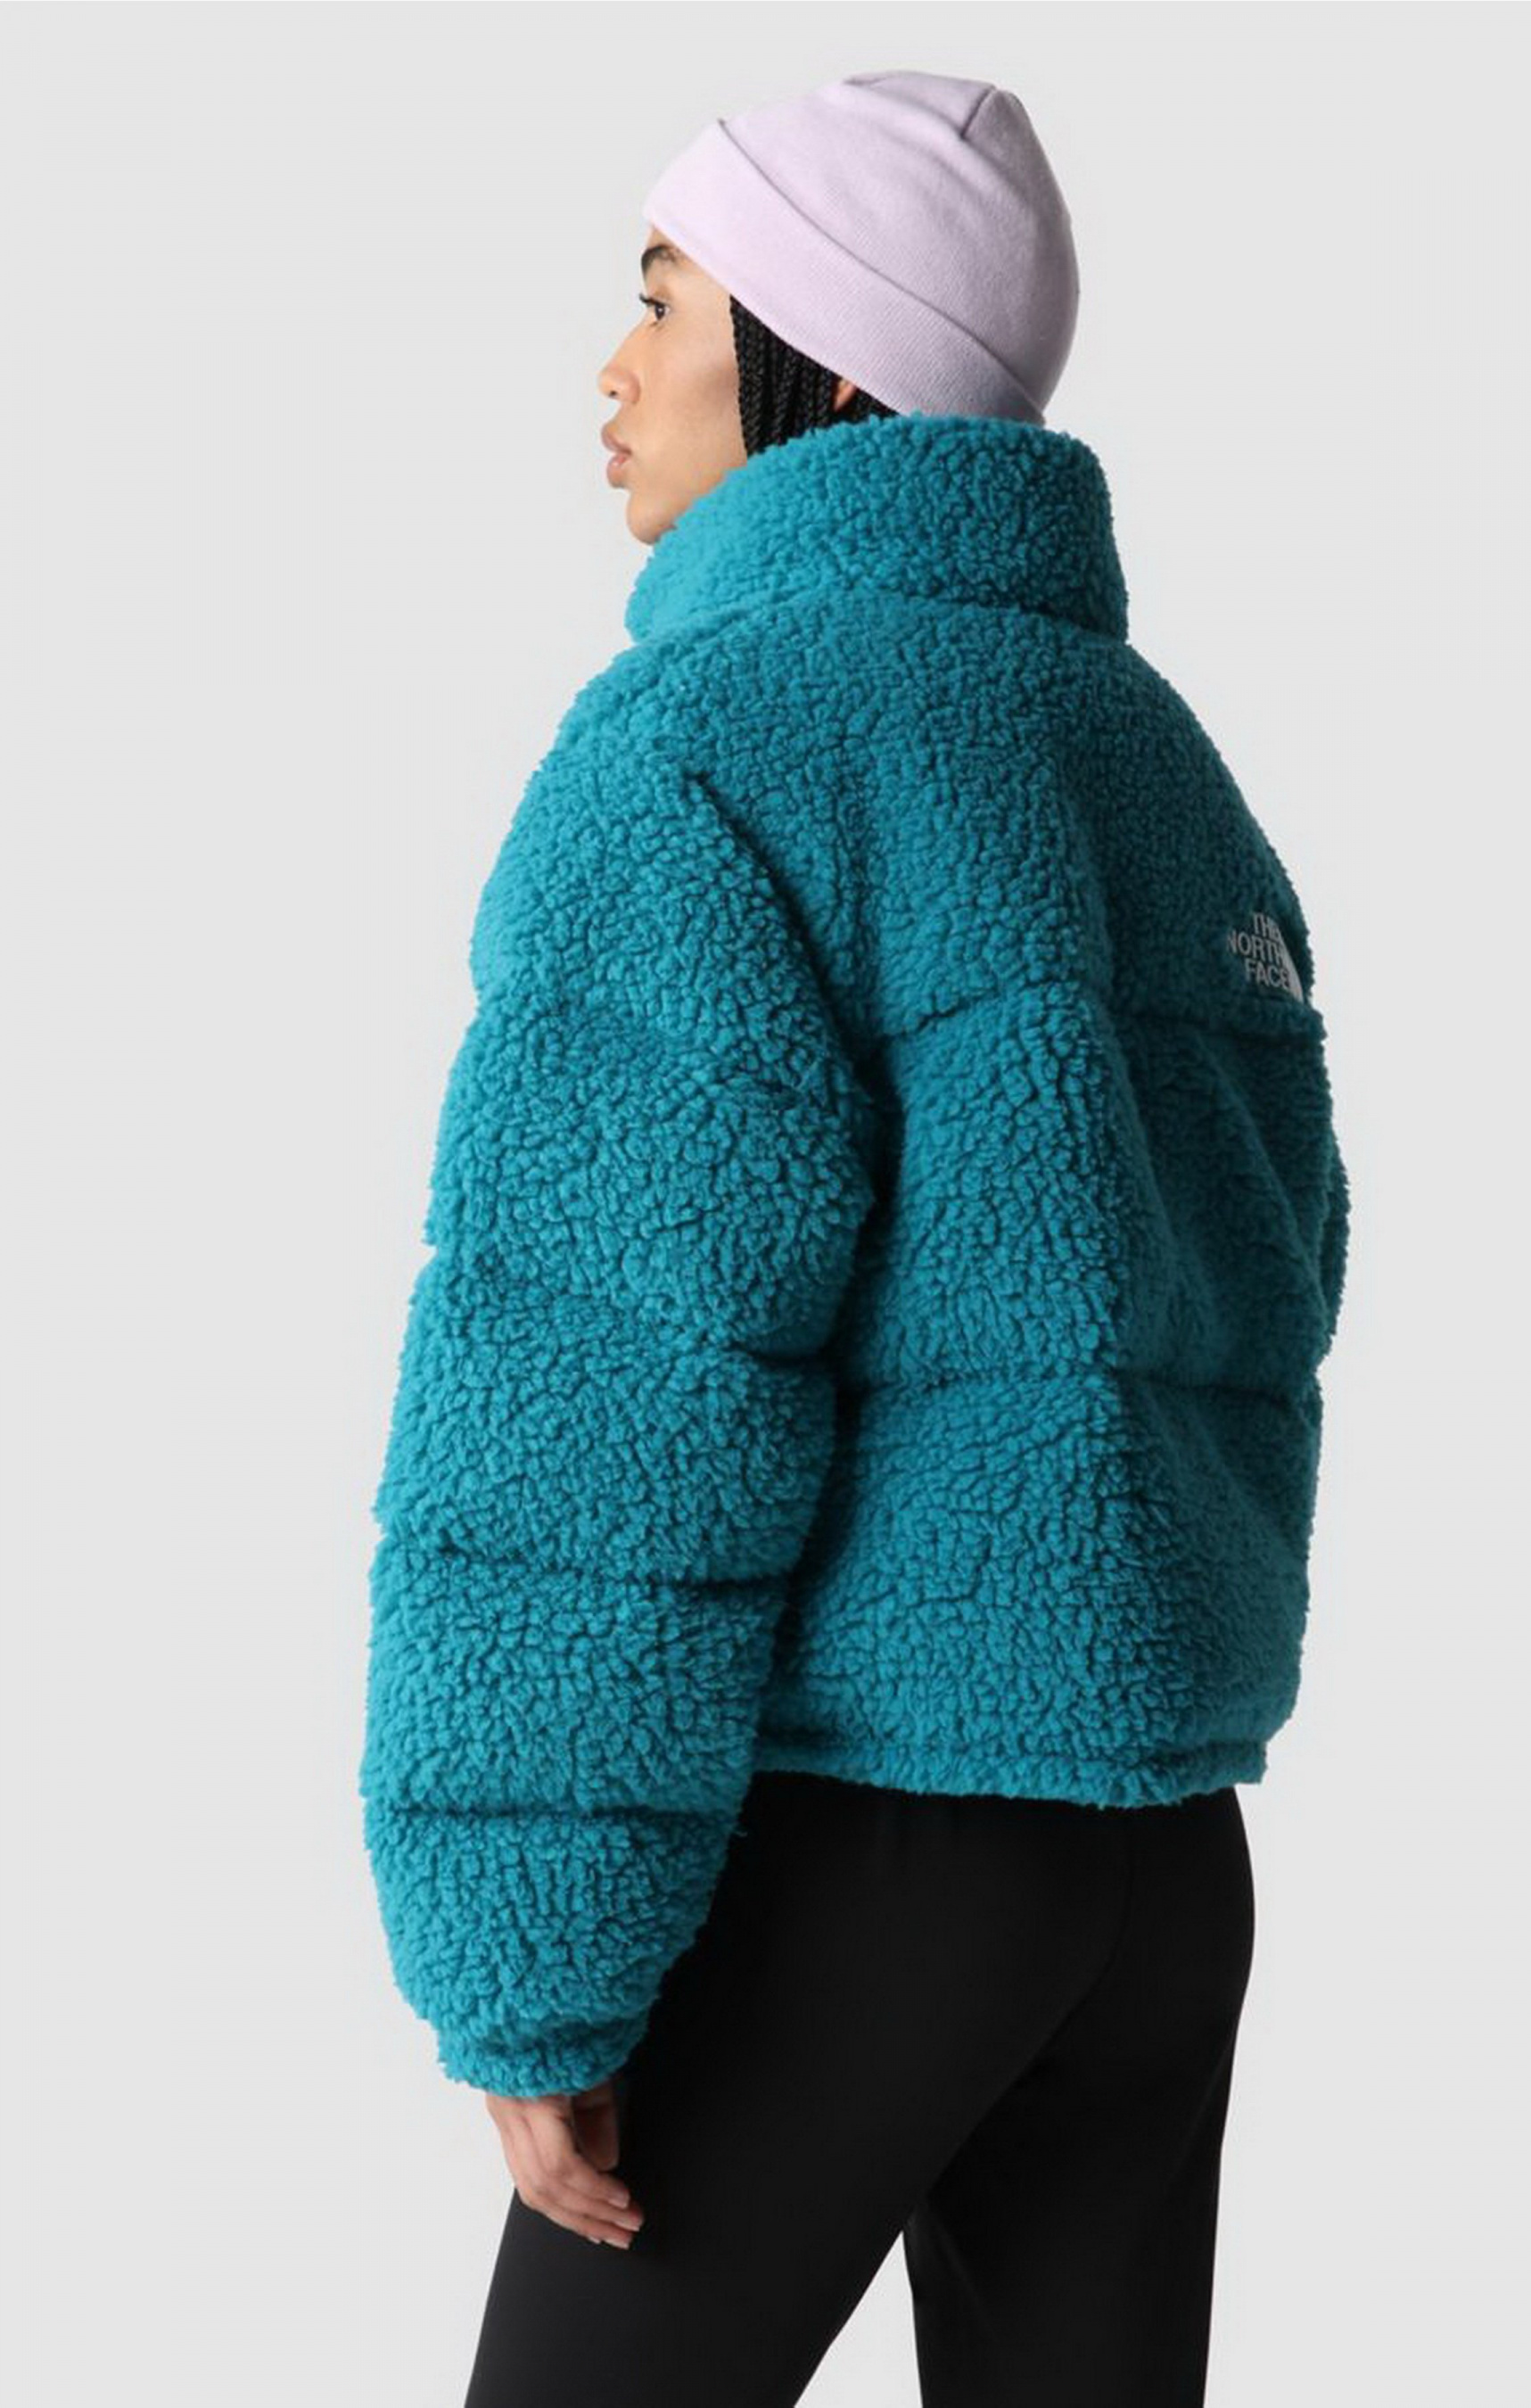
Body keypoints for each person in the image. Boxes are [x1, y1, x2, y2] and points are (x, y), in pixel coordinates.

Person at [358, 69, 1352, 2408]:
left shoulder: (704, 747)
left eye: (664, 303)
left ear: (824, 358)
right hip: (1150, 1870)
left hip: (854, 1851)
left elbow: (596, 1395)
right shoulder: (1153, 760)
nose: (615, 370)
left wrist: (528, 1957)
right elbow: (1277, 1275)